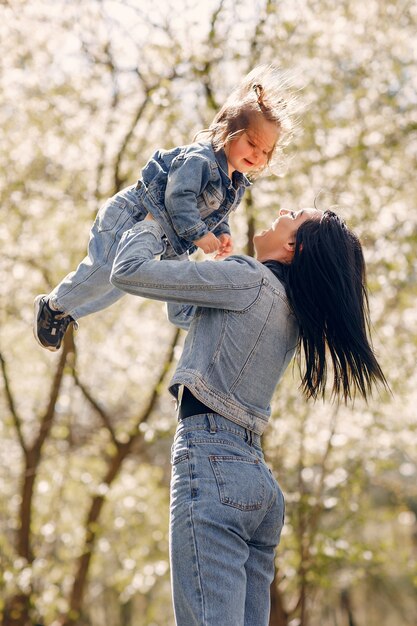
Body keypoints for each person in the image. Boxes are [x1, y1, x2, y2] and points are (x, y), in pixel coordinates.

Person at [109, 208, 387, 626]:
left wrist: (154, 221)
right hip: (254, 482)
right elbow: (185, 312)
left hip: (212, 461)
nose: (281, 212)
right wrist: (207, 259)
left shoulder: (249, 278)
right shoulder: (290, 308)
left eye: (292, 216)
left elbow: (127, 271)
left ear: (293, 247)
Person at [33, 64, 298, 351]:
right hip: (131, 218)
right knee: (105, 270)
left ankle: (224, 335)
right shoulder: (200, 159)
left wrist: (221, 233)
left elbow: (218, 212)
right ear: (227, 132)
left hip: (170, 238)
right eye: (251, 143)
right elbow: (178, 197)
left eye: (265, 151)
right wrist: (198, 234)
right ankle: (54, 305)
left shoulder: (235, 182)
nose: (257, 155)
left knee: (130, 287)